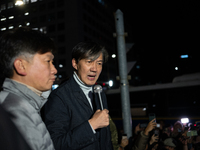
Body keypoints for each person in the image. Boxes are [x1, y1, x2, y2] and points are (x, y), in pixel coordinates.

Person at [43, 41, 113, 150]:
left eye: (99, 63)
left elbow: (106, 138)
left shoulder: (99, 93)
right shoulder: (59, 97)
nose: (94, 69)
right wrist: (91, 126)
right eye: (89, 62)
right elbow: (55, 144)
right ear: (75, 63)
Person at [0, 27, 57, 150]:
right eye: (48, 61)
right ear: (21, 66)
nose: (54, 70)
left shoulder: (24, 104)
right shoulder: (15, 112)